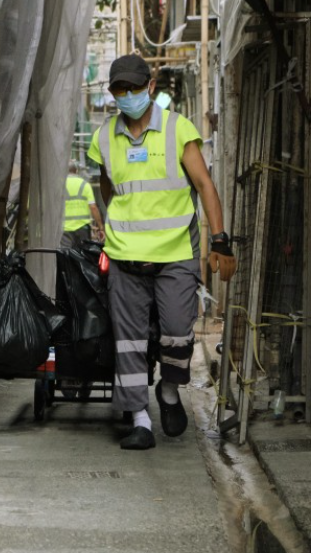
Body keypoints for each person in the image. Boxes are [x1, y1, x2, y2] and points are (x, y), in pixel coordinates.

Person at [87, 54, 237, 450]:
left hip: (175, 253)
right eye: (120, 90)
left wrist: (220, 240)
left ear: (150, 87)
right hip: (124, 255)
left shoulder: (177, 129)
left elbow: (204, 184)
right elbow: (107, 189)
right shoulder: (104, 137)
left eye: (134, 88)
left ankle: (169, 391)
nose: (128, 96)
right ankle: (139, 420)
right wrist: (119, 223)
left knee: (176, 334)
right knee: (129, 340)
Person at [61, 161, 104, 248]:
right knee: (83, 255)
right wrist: (100, 227)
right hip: (83, 229)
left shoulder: (60, 186)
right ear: (76, 171)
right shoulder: (85, 185)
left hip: (65, 230)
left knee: (65, 256)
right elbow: (93, 207)